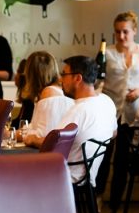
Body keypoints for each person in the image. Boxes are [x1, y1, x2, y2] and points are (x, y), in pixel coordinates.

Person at [101, 10, 139, 213]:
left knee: (123, 163)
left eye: (125, 31)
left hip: (136, 117)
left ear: (134, 31)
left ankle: (116, 210)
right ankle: (101, 202)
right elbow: (100, 83)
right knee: (105, 158)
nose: (121, 36)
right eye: (117, 32)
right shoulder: (107, 54)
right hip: (112, 113)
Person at [27, 56, 117, 185]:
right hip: (88, 176)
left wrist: (32, 139)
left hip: (64, 177)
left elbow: (51, 144)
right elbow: (114, 133)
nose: (60, 79)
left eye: (64, 74)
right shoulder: (106, 101)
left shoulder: (78, 111)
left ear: (78, 78)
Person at [21, 51, 74, 145]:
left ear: (31, 74)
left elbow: (42, 134)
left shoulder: (49, 93)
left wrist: (17, 135)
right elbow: (35, 126)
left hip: (50, 154)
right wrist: (13, 133)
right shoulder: (53, 91)